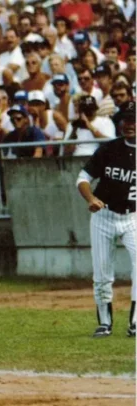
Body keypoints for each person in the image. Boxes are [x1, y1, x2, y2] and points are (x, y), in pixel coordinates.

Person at [75, 101, 136, 338]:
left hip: (132, 216)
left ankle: (134, 323)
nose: (129, 124)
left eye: (134, 119)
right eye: (125, 119)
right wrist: (90, 198)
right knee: (102, 273)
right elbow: (82, 178)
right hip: (104, 215)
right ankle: (104, 322)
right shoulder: (109, 149)